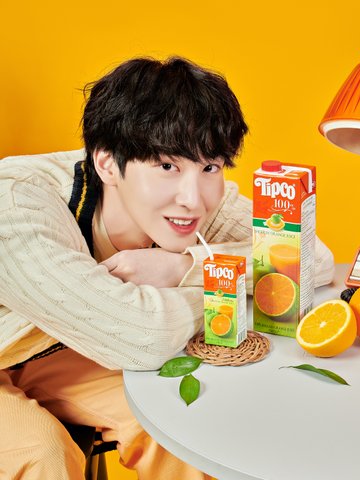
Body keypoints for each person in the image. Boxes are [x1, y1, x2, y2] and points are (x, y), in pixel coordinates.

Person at [0, 57, 334, 479]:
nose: (192, 199)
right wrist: (222, 287)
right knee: (41, 452)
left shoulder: (198, 203)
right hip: (53, 346)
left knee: (181, 424)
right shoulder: (16, 204)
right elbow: (145, 336)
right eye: (166, 166)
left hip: (58, 349)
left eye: (210, 166)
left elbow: (313, 257)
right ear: (107, 164)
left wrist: (183, 267)